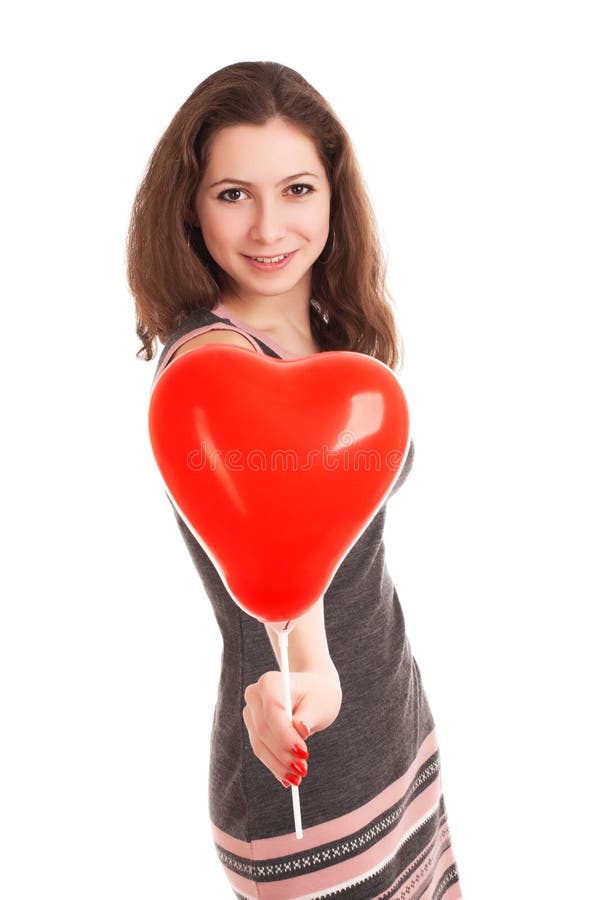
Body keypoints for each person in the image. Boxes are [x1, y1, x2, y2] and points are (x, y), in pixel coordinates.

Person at [127, 60, 462, 900]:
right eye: (232, 193)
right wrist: (306, 679)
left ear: (333, 196)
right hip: (313, 786)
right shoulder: (214, 371)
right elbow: (289, 587)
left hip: (396, 729)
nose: (269, 226)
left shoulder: (324, 334)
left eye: (298, 189)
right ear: (190, 208)